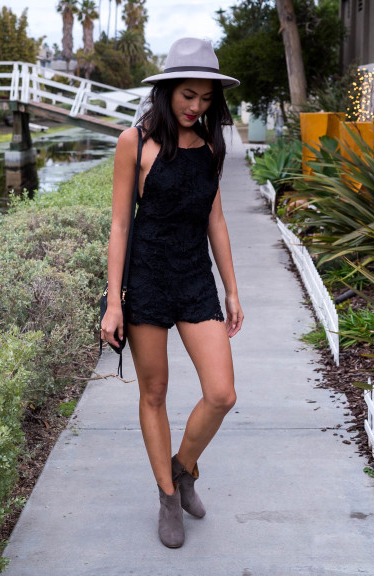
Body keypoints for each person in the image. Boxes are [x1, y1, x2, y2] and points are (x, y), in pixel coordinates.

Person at [99, 37, 243, 549]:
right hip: (147, 281)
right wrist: (114, 301)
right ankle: (166, 497)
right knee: (154, 393)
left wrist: (231, 289)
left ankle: (184, 470)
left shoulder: (209, 147)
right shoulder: (133, 143)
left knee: (221, 392)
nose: (195, 107)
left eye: (205, 99)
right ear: (164, 90)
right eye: (187, 95)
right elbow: (119, 225)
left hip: (194, 279)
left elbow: (217, 221)